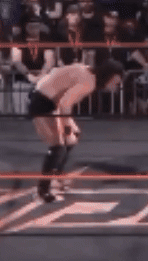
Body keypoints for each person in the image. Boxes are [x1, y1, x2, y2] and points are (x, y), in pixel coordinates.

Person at [30, 59, 124, 203]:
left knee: (73, 137)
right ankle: (43, 190)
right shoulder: (88, 83)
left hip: (51, 99)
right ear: (108, 76)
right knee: (57, 146)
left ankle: (58, 174)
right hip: (42, 102)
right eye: (115, 82)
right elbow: (65, 104)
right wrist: (66, 127)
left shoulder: (88, 72)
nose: (116, 87)